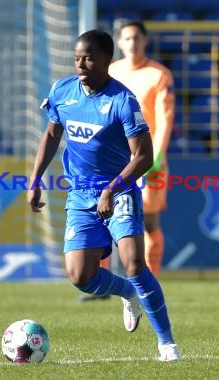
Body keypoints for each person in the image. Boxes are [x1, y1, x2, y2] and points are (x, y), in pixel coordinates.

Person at [27, 29, 180, 362]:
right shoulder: (62, 91)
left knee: (134, 263)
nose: (81, 64)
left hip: (119, 190)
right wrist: (36, 177)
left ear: (106, 61)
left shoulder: (123, 101)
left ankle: (166, 343)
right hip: (81, 194)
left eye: (89, 58)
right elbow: (52, 135)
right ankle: (127, 294)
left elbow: (143, 155)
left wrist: (112, 188)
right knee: (80, 276)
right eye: (77, 58)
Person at [80, 20, 174, 303]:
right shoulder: (113, 72)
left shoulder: (158, 75)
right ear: (119, 43)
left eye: (136, 38)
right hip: (112, 159)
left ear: (144, 41)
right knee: (101, 215)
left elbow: (165, 119)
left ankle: (149, 283)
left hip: (146, 160)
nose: (132, 43)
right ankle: (102, 283)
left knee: (148, 222)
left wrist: (156, 156)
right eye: (127, 39)